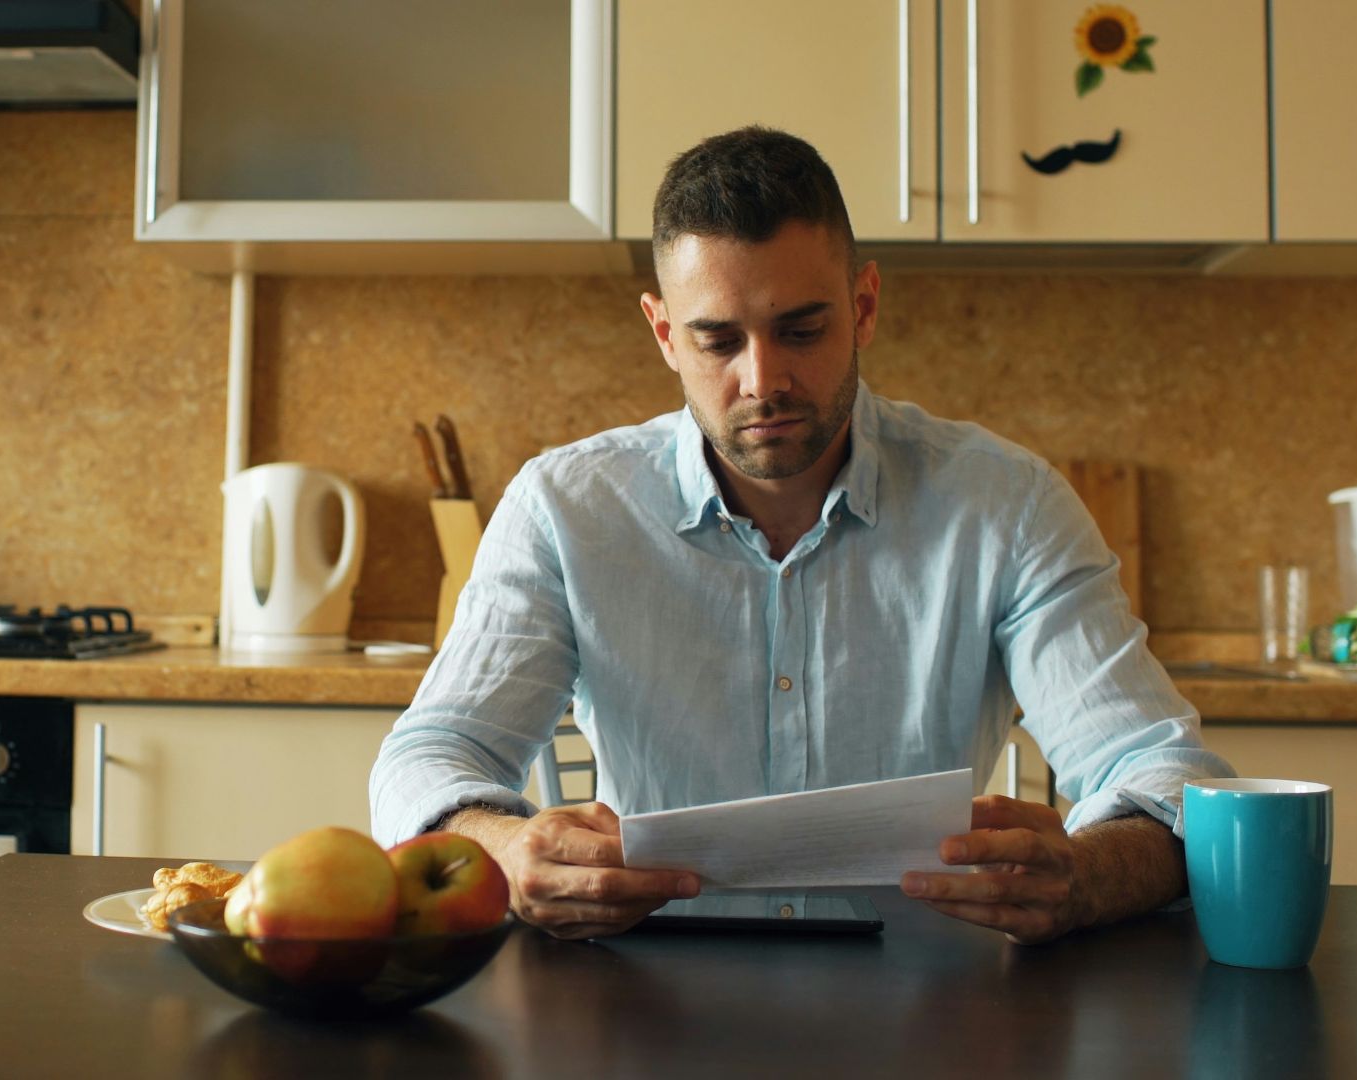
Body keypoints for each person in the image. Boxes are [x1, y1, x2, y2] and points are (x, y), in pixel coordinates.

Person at [369, 126, 1233, 944]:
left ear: (864, 305)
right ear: (665, 335)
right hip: (645, 993)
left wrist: (1084, 875)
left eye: (801, 329)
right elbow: (427, 757)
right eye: (717, 340)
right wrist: (505, 845)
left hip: (933, 1002)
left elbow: (1166, 774)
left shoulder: (1007, 505)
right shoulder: (565, 507)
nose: (763, 379)